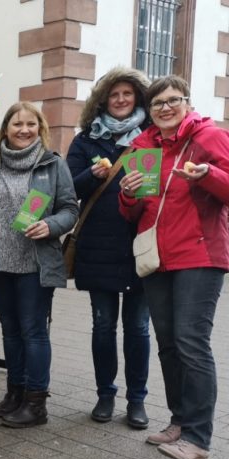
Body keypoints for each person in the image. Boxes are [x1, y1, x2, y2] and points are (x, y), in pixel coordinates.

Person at [119, 75, 229, 459]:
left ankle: (198, 440)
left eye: (172, 100)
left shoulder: (209, 137)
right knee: (167, 343)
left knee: (191, 342)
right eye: (157, 103)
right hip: (156, 257)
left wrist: (209, 176)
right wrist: (128, 193)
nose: (165, 108)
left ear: (186, 102)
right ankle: (179, 422)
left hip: (200, 254)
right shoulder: (142, 145)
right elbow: (131, 212)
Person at [0, 102, 78, 428]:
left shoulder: (53, 165)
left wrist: (51, 225)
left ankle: (36, 404)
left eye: (31, 124)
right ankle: (15, 393)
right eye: (17, 124)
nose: (24, 130)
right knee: (11, 333)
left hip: (35, 264)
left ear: (40, 128)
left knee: (33, 332)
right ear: (5, 129)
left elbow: (69, 209)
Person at [66, 67, 152, 429]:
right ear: (103, 100)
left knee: (138, 328)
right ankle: (105, 394)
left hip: (141, 246)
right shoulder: (86, 140)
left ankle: (137, 401)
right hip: (97, 246)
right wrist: (91, 176)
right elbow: (67, 189)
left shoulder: (151, 138)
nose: (120, 100)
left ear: (138, 99)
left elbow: (157, 193)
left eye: (127, 94)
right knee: (103, 326)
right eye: (113, 95)